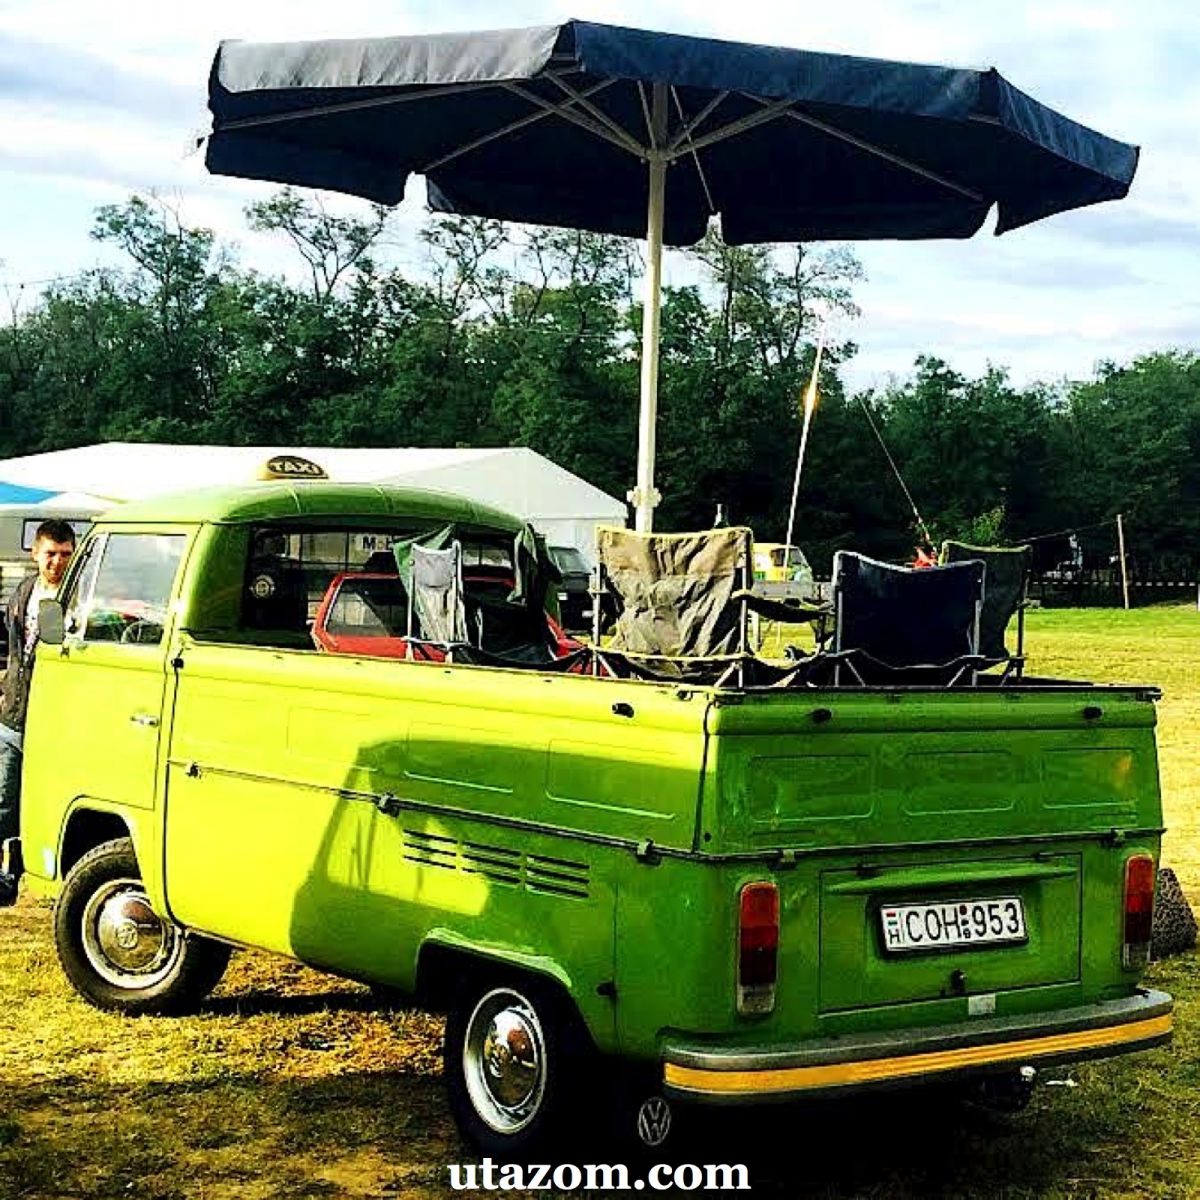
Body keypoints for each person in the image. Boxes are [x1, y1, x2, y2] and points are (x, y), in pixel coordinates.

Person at [0, 519, 76, 904]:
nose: (58, 563)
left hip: (55, 720)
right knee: (3, 798)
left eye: (65, 555)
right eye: (51, 554)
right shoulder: (23, 591)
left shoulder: (79, 597)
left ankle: (37, 873)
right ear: (35, 552)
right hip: (14, 714)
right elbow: (15, 650)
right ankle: (6, 876)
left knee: (44, 801)